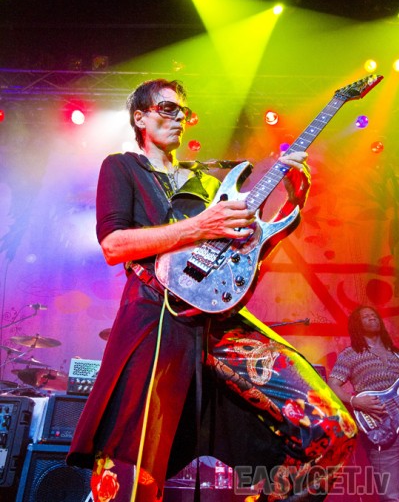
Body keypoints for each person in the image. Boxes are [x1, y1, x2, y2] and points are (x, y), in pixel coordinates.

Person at [67, 78, 357, 502]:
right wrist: (200, 226)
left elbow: (245, 259)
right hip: (155, 317)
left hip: (218, 324)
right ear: (140, 118)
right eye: (168, 109)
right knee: (131, 470)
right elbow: (114, 245)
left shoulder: (205, 182)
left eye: (184, 112)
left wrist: (291, 206)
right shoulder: (121, 167)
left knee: (331, 427)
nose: (179, 118)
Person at [328, 305, 399, 501]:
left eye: (374, 315)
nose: (372, 318)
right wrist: (355, 401)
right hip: (380, 426)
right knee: (391, 494)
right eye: (366, 316)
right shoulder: (351, 354)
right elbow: (332, 384)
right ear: (357, 325)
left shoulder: (396, 353)